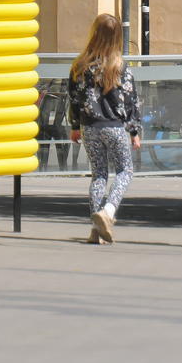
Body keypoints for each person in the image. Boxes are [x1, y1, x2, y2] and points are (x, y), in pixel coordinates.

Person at [68, 14, 141, 244]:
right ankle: (108, 212)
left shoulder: (80, 65)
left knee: (98, 175)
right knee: (125, 171)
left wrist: (74, 125)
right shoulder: (119, 65)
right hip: (114, 127)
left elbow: (73, 97)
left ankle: (95, 229)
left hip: (90, 127)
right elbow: (130, 99)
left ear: (94, 33)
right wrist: (134, 129)